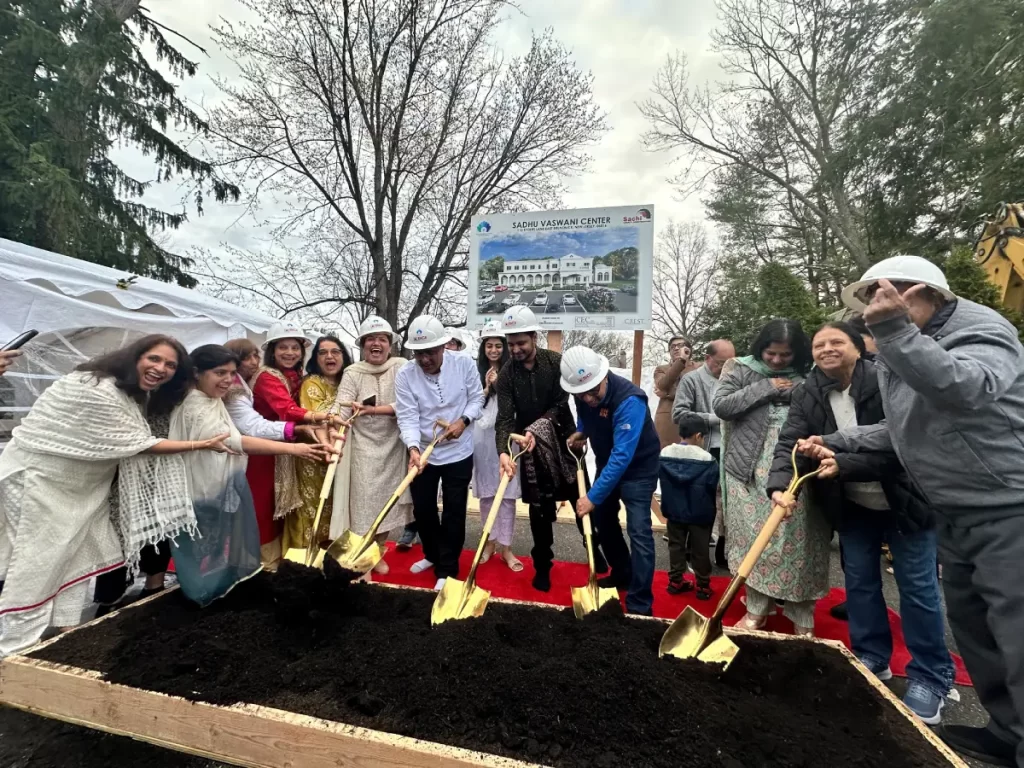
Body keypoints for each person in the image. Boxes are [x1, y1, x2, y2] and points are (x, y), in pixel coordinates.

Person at [797, 255, 1024, 766]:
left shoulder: (981, 329)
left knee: (1016, 632)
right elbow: (903, 426)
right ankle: (1009, 731)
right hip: (954, 511)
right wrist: (836, 439)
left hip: (1007, 503)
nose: (873, 314)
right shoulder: (906, 345)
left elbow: (968, 389)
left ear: (920, 292)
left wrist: (894, 331)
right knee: (976, 629)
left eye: (882, 300)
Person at [767, 321, 953, 724]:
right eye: (819, 344)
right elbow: (791, 442)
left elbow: (907, 441)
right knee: (861, 584)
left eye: (837, 341)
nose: (826, 349)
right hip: (851, 505)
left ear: (859, 347)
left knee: (918, 589)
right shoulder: (808, 391)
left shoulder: (890, 380)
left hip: (906, 502)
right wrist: (781, 486)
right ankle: (871, 656)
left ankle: (931, 677)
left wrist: (845, 463)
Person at [0, 335, 232, 657]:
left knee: (69, 555)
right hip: (37, 480)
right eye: (154, 359)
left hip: (79, 490)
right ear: (134, 356)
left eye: (170, 365)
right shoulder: (97, 387)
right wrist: (200, 445)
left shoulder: (133, 396)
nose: (160, 368)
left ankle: (65, 634)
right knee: (34, 560)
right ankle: (13, 644)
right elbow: (139, 442)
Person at [170, 345, 333, 603]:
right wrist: (296, 445)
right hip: (203, 489)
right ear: (197, 372)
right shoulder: (196, 407)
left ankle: (215, 597)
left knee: (219, 548)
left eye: (232, 373)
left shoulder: (211, 399)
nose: (228, 380)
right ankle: (203, 599)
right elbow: (240, 440)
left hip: (219, 481)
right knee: (205, 551)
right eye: (220, 373)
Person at [713, 318, 828, 636]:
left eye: (785, 356)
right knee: (756, 540)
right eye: (771, 353)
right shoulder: (738, 367)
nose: (777, 361)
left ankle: (802, 616)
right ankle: (757, 611)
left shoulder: (812, 372)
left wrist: (798, 392)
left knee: (801, 541)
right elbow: (722, 406)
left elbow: (823, 410)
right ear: (760, 347)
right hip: (748, 469)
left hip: (799, 464)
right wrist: (766, 388)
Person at [493, 306, 605, 592]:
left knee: (583, 500)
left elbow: (563, 403)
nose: (516, 349)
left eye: (521, 343)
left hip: (567, 443)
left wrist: (578, 432)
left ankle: (594, 550)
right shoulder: (506, 374)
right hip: (530, 451)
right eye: (511, 343)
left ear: (534, 336)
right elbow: (505, 417)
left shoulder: (556, 362)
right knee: (539, 511)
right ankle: (543, 565)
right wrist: (503, 451)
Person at [563, 346, 660, 616]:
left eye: (595, 391)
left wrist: (592, 497)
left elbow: (623, 455)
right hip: (608, 461)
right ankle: (622, 573)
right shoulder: (582, 392)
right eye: (582, 394)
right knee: (604, 521)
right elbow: (585, 414)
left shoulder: (630, 400)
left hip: (638, 467)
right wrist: (581, 431)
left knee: (639, 530)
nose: (589, 398)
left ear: (604, 376)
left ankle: (640, 601)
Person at [395, 315, 484, 590]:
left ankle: (448, 568)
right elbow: (407, 416)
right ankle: (432, 555)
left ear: (444, 346)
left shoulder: (464, 364)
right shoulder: (405, 375)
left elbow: (477, 398)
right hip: (424, 451)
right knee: (423, 509)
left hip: (459, 450)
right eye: (418, 353)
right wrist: (412, 448)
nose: (424, 359)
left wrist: (463, 421)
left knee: (454, 510)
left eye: (430, 352)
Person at [248, 321, 336, 569]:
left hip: (290, 448)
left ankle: (284, 558)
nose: (289, 353)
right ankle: (266, 565)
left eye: (295, 347)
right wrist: (325, 417)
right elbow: (285, 409)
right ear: (272, 351)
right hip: (264, 452)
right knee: (265, 507)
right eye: (283, 347)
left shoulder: (299, 376)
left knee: (285, 507)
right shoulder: (267, 376)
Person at [329, 316, 412, 577]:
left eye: (382, 339)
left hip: (394, 446)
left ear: (390, 344)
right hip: (362, 449)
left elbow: (411, 402)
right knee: (363, 505)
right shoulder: (353, 372)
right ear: (363, 345)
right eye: (371, 339)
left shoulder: (402, 367)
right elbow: (341, 404)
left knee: (388, 503)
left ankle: (378, 551)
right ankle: (362, 554)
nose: (377, 343)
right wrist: (333, 423)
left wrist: (376, 410)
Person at [673, 339, 736, 568]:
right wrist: (716, 419)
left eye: (732, 362)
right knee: (703, 504)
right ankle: (695, 556)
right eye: (721, 363)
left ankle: (724, 552)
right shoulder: (692, 380)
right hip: (704, 449)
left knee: (731, 502)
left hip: (733, 448)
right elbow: (679, 415)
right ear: (708, 358)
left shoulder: (735, 379)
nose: (727, 368)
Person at [287, 336, 352, 553]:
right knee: (313, 508)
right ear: (315, 359)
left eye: (335, 351)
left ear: (344, 356)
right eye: (323, 352)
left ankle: (333, 556)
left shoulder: (349, 381)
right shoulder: (311, 382)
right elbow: (319, 418)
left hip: (343, 455)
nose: (329, 356)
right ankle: (307, 555)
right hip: (315, 457)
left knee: (338, 508)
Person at [472, 322, 522, 571]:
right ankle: (489, 542)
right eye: (489, 345)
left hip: (508, 435)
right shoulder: (475, 371)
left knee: (507, 494)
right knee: (487, 494)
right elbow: (471, 407)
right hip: (482, 437)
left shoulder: (514, 370)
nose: (494, 350)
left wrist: (500, 383)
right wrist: (487, 387)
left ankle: (506, 547)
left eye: (498, 345)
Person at [659, 413, 718, 599]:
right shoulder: (708, 460)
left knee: (675, 545)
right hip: (700, 513)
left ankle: (676, 581)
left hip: (674, 511)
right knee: (700, 549)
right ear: (699, 436)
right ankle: (702, 586)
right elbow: (712, 485)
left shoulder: (665, 454)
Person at [223, 338, 320, 444]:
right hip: (262, 445)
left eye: (256, 356)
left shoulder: (293, 374)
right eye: (246, 358)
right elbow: (254, 425)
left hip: (273, 440)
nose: (254, 362)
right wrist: (324, 417)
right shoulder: (261, 378)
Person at [653, 336, 700, 448]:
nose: (676, 348)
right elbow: (663, 385)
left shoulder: (698, 368)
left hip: (692, 416)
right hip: (668, 420)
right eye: (672, 347)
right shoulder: (661, 369)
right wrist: (681, 361)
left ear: (689, 349)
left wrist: (668, 394)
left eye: (680, 345)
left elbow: (696, 392)